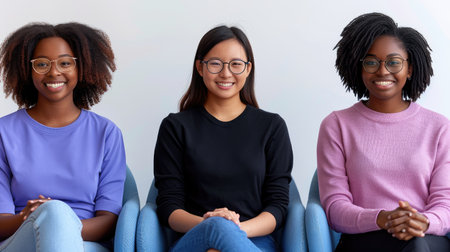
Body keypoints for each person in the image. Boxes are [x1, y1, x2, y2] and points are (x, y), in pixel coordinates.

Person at [317, 12, 450, 251]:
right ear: (359, 68)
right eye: (370, 62)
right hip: (365, 239)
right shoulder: (337, 125)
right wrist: (382, 218)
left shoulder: (439, 127)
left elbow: (445, 203)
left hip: (424, 237)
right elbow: (335, 208)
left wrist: (422, 221)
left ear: (409, 69)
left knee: (418, 246)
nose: (382, 71)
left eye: (393, 62)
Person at [154, 25, 293, 251]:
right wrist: (213, 225)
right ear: (200, 67)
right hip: (194, 237)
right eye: (215, 63)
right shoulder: (175, 127)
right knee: (216, 230)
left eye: (236, 64)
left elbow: (278, 207)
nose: (226, 73)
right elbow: (169, 207)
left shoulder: (272, 127)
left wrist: (231, 229)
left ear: (248, 69)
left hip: (253, 239)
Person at [0, 22, 126, 251]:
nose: (54, 72)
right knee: (53, 213)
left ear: (83, 67)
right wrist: (35, 218)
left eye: (65, 63)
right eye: (41, 64)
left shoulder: (106, 133)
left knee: (56, 213)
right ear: (27, 70)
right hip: (21, 239)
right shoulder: (3, 133)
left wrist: (59, 221)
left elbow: (109, 221)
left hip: (85, 242)